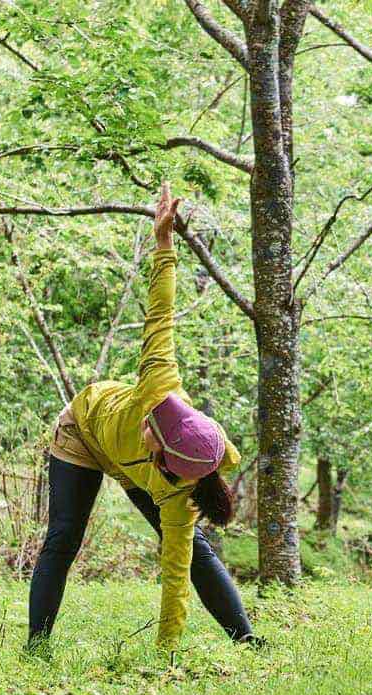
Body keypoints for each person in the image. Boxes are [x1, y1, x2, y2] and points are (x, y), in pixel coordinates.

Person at [28, 183, 255, 652]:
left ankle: (247, 640)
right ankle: (37, 645)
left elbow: (174, 574)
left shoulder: (177, 497)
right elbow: (162, 313)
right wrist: (164, 243)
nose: (153, 418)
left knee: (196, 555)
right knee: (65, 536)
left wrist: (166, 654)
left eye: (157, 429)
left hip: (137, 468)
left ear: (168, 461)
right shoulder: (160, 386)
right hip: (85, 429)